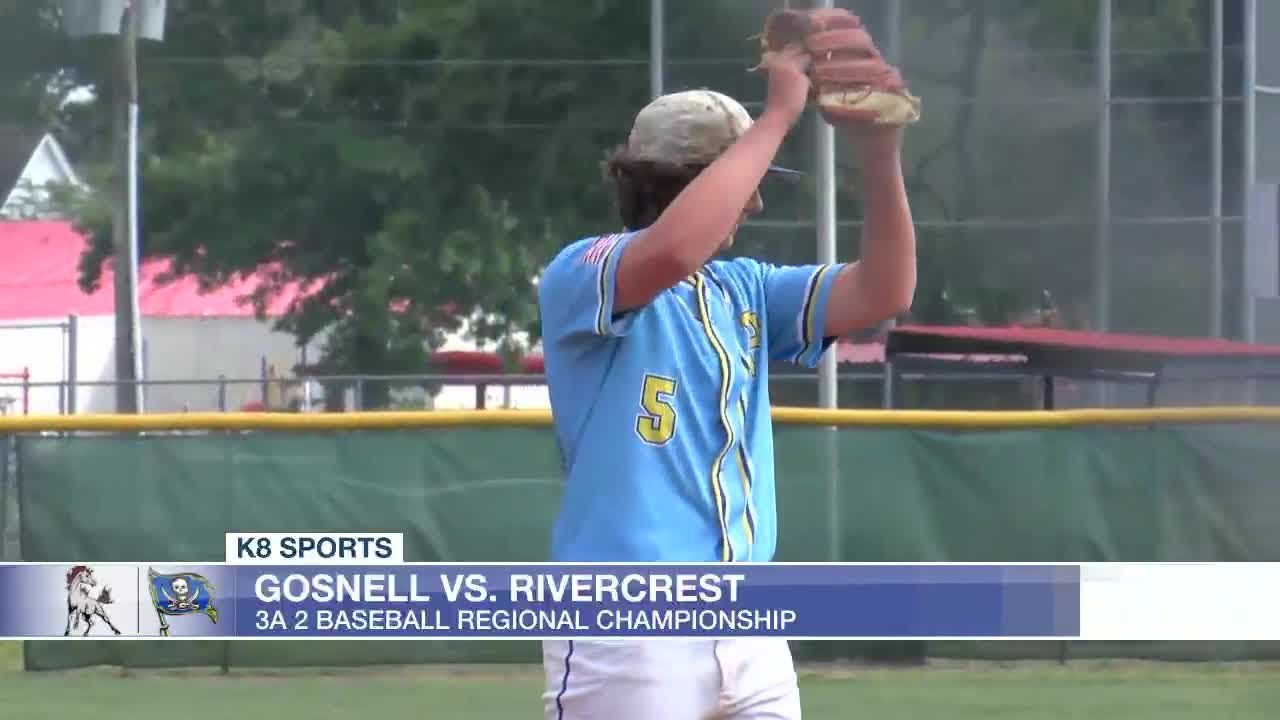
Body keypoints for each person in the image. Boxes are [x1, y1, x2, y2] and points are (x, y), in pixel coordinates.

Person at [536, 46, 917, 720]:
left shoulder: (743, 288)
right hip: (627, 618)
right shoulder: (582, 272)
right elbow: (674, 249)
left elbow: (886, 289)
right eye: (747, 176)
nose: (758, 197)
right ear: (682, 182)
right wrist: (777, 117)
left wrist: (880, 152)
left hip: (747, 613)